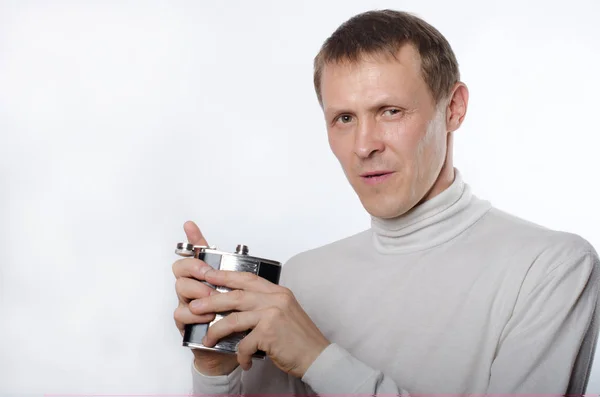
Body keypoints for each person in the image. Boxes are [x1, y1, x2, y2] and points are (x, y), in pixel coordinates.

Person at [172, 9, 600, 396]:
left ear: (453, 109)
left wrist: (317, 358)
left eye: (390, 111)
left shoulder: (552, 267)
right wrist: (214, 368)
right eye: (344, 118)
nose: (364, 146)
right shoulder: (301, 278)